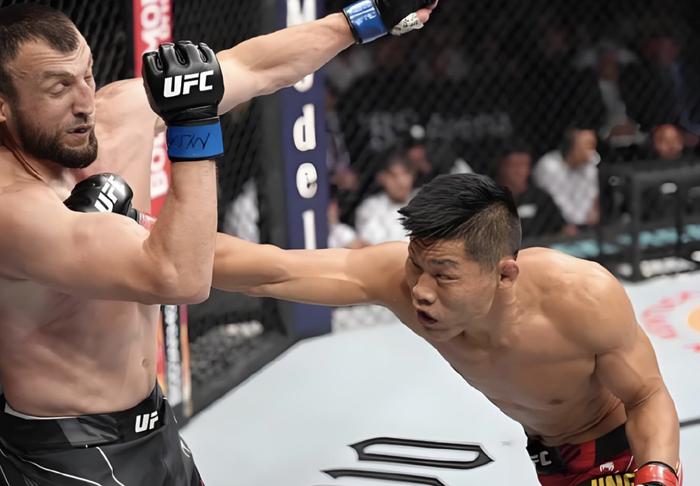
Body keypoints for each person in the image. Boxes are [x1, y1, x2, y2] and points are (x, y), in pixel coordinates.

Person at [0, 1, 437, 484]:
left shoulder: (117, 116)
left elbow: (255, 66)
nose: (85, 100)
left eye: (87, 74)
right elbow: (179, 277)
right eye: (58, 87)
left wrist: (365, 18)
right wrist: (194, 127)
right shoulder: (12, 209)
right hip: (65, 455)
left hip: (154, 423)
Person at [213, 173, 682, 486]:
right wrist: (166, 240)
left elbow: (646, 396)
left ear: (504, 274)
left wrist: (657, 473)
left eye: (443, 275)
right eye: (415, 265)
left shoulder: (582, 297)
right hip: (547, 456)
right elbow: (270, 272)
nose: (420, 290)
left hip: (620, 452)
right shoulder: (399, 280)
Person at [533, 128, 601, 232]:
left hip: (586, 226)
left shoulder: (590, 165)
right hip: (555, 226)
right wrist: (563, 225)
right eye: (588, 145)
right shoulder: (549, 166)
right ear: (572, 147)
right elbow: (550, 203)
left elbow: (594, 198)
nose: (592, 151)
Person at [494, 143, 567, 238]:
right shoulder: (489, 197)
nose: (519, 171)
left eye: (523, 165)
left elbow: (562, 227)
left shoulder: (541, 197)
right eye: (514, 165)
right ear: (502, 167)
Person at [355, 148, 416, 244]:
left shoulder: (425, 204)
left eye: (405, 174)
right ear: (382, 178)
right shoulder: (370, 208)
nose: (400, 182)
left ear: (413, 175)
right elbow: (369, 244)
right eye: (393, 176)